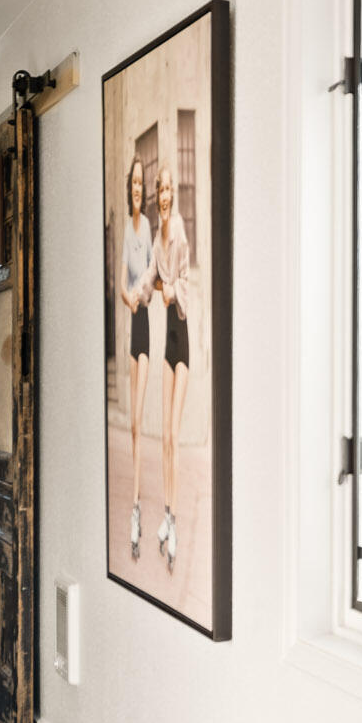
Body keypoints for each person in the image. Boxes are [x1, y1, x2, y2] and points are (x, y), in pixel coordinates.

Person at [152, 168, 193, 570]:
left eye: (169, 188)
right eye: (160, 188)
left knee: (176, 437)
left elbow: (184, 282)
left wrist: (167, 292)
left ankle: (176, 518)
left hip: (182, 343)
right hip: (165, 344)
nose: (164, 194)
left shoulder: (178, 229)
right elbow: (152, 274)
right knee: (163, 436)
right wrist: (139, 292)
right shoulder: (157, 234)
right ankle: (166, 512)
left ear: (173, 193)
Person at [118, 158, 156, 558]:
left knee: (140, 416)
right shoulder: (127, 231)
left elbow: (147, 276)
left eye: (141, 183)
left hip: (143, 321)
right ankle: (134, 488)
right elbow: (121, 280)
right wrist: (127, 295)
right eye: (133, 182)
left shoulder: (146, 227)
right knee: (130, 420)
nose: (137, 188)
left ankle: (136, 499)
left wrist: (137, 295)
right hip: (131, 320)